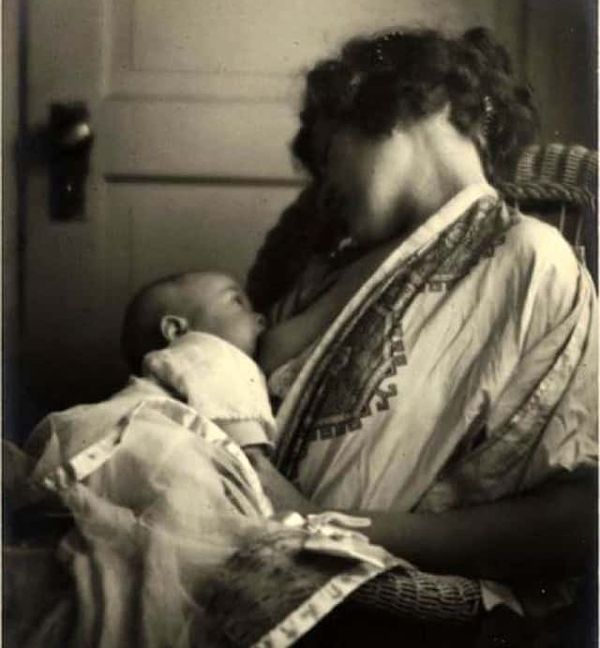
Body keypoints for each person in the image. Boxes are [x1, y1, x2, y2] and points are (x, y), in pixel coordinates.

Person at [247, 25, 598, 635]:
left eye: (329, 157)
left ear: (409, 104)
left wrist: (318, 522)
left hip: (342, 588)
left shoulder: (527, 259)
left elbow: (579, 519)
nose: (324, 192)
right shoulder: (323, 260)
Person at [7, 270, 400, 648]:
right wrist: (274, 511)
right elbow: (250, 457)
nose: (259, 315)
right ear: (177, 331)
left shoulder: (168, 370)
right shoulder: (212, 353)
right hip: (154, 445)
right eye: (237, 302)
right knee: (181, 533)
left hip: (99, 442)